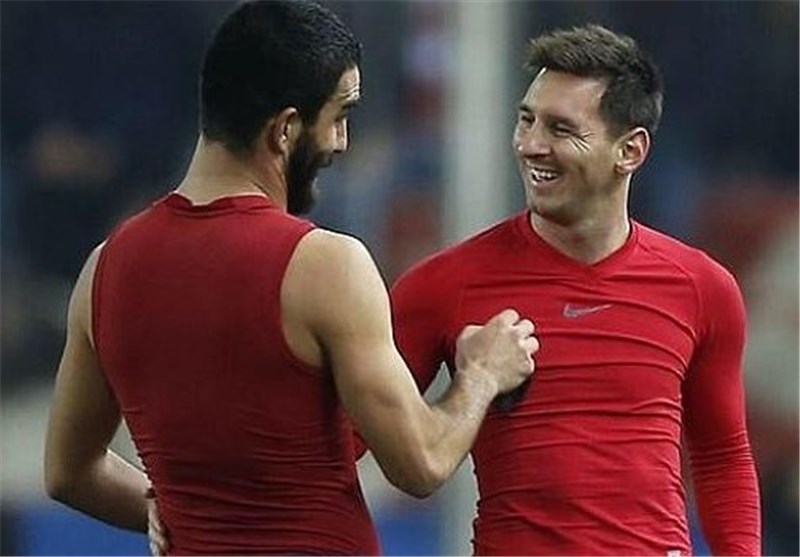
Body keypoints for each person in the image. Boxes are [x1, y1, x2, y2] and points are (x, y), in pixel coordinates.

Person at [43, 1, 539, 554]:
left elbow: (68, 473)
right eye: (339, 115)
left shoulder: (105, 269)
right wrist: (481, 375)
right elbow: (421, 462)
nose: (342, 141)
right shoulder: (324, 266)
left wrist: (162, 506)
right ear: (285, 129)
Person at [384, 24, 762, 556]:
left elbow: (723, 457)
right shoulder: (442, 286)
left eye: (561, 129)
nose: (531, 145)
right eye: (526, 120)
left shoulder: (703, 288)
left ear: (630, 150)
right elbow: (342, 442)